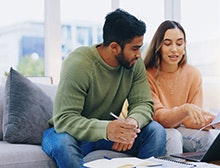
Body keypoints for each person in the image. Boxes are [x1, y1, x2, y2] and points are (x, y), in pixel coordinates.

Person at [41, 9, 166, 168]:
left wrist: (131, 125)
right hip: (67, 132)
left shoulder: (135, 64)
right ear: (114, 47)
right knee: (62, 145)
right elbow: (64, 119)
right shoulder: (79, 64)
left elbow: (144, 103)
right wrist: (107, 129)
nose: (139, 55)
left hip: (107, 133)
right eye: (135, 48)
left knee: (156, 131)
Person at [143, 20, 220, 155]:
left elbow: (190, 119)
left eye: (179, 43)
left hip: (180, 127)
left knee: (207, 137)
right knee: (173, 137)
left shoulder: (193, 74)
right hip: (157, 129)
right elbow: (159, 118)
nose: (174, 49)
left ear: (185, 46)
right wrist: (185, 108)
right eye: (167, 43)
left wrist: (211, 122)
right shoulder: (147, 75)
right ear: (158, 46)